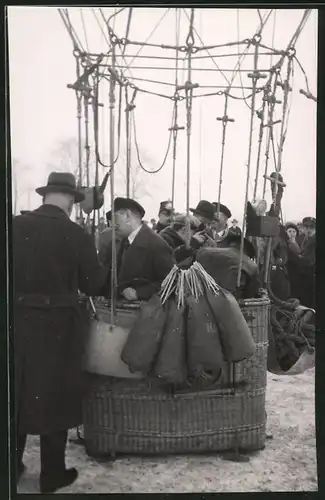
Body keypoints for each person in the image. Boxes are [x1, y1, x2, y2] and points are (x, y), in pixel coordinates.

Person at [13, 172, 108, 493]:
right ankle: (51, 474)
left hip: (15, 320)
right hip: (59, 326)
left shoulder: (14, 227)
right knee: (54, 395)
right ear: (69, 199)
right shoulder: (76, 234)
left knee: (16, 391)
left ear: (45, 195)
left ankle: (11, 466)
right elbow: (93, 284)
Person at [104, 197, 175, 301]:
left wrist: (140, 293)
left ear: (127, 216)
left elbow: (172, 282)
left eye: (115, 218)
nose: (112, 224)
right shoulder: (121, 243)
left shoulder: (156, 244)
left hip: (145, 313)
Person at [197, 231, 260, 299]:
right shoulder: (251, 265)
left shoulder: (203, 252)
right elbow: (251, 294)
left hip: (199, 299)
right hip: (230, 303)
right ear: (247, 252)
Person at [287, 217, 315, 308]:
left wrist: (291, 255)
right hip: (304, 277)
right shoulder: (305, 240)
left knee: (308, 303)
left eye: (311, 227)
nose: (308, 229)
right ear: (302, 228)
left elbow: (309, 261)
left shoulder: (314, 242)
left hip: (311, 278)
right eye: (306, 227)